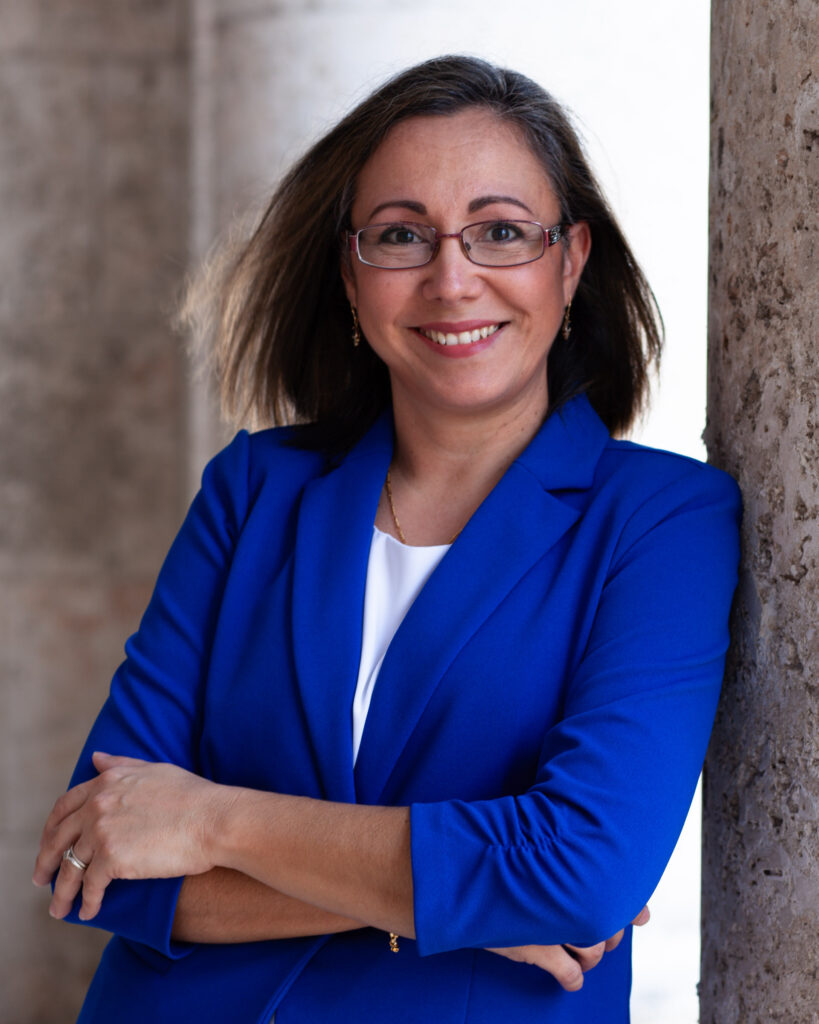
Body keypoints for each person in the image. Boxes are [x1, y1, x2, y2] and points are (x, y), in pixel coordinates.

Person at [33, 55, 740, 1023]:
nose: (453, 279)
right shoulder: (251, 490)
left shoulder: (663, 521)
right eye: (402, 235)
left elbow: (579, 872)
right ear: (351, 273)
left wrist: (208, 820)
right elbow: (98, 863)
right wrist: (470, 900)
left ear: (570, 262)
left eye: (500, 232)